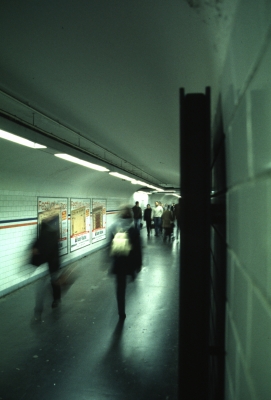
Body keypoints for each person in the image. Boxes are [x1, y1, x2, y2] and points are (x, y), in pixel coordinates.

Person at [109, 206, 142, 320]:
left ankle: (121, 312)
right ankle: (132, 275)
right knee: (125, 285)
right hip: (129, 263)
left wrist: (108, 261)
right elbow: (138, 249)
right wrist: (138, 265)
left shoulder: (114, 228)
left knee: (120, 289)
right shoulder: (134, 230)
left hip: (118, 264)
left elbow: (109, 247)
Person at [32, 213, 61, 319]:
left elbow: (38, 245)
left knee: (51, 282)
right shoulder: (48, 233)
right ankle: (54, 300)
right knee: (51, 282)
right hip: (51, 263)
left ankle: (54, 300)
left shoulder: (49, 234)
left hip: (52, 263)